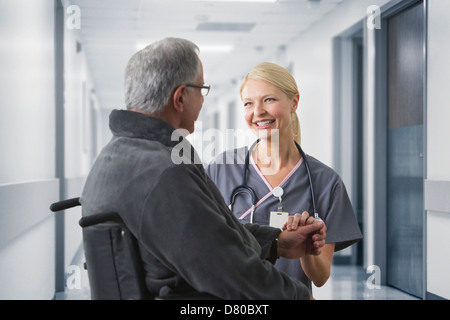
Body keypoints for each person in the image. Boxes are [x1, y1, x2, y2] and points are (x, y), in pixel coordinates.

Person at [80, 38, 327, 300]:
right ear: (180, 97)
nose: (202, 98)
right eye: (201, 88)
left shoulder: (118, 155)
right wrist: (299, 297)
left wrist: (275, 242)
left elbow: (213, 233)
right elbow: (231, 272)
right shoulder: (165, 172)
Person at [206, 62, 362, 293]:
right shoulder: (222, 168)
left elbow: (320, 277)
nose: (258, 111)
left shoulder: (326, 183)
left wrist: (308, 249)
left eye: (269, 99)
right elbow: (202, 244)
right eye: (249, 103)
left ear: (294, 102)